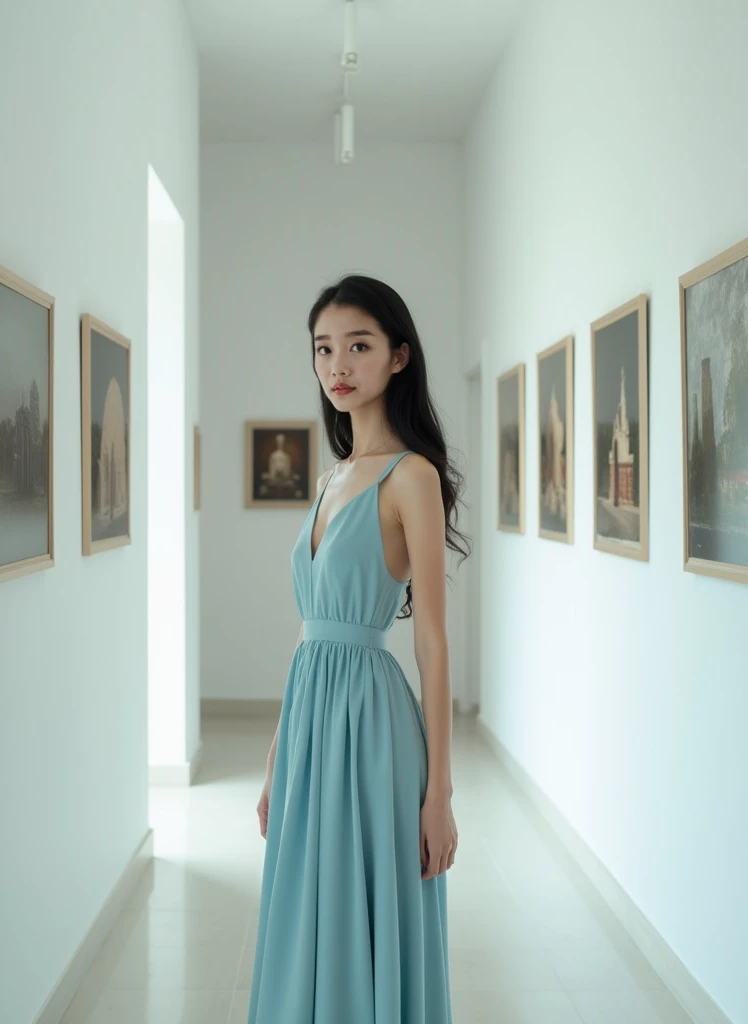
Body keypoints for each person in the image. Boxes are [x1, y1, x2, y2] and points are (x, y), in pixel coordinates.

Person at [247, 274, 470, 1024]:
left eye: (359, 346)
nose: (337, 364)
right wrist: (280, 753)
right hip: (311, 723)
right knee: (308, 912)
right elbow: (309, 632)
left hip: (372, 726)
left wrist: (438, 794)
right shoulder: (332, 476)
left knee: (364, 909)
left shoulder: (413, 478)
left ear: (399, 357)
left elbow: (433, 642)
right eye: (323, 349)